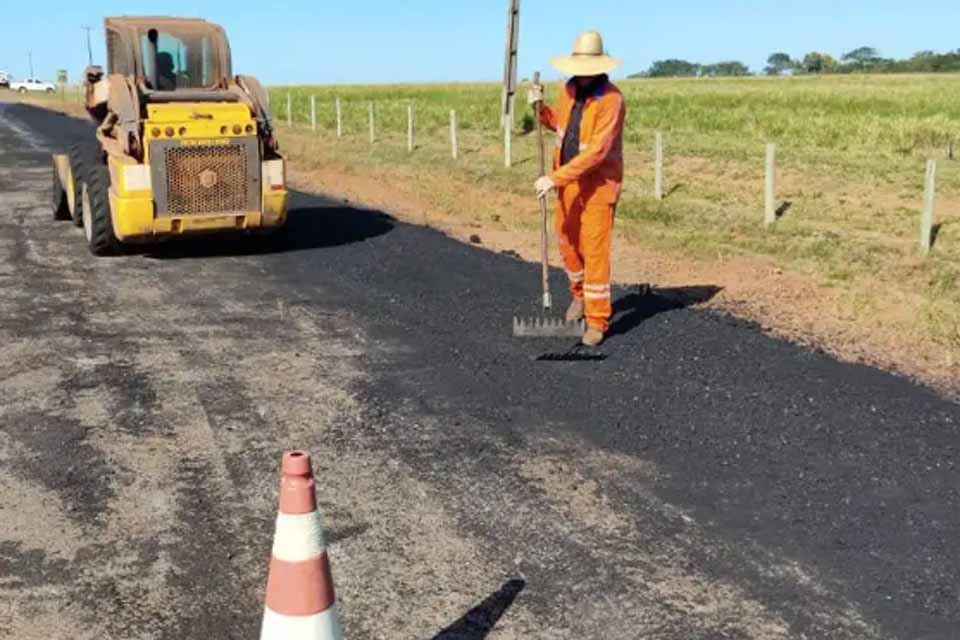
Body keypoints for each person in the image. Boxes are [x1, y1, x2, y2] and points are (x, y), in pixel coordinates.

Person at [528, 31, 625, 347]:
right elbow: (560, 126)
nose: (579, 76)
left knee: (595, 252)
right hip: (568, 183)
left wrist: (554, 179)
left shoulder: (612, 100)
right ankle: (579, 296)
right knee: (568, 242)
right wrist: (540, 108)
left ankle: (597, 320)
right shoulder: (568, 90)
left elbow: (597, 152)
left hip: (598, 187)